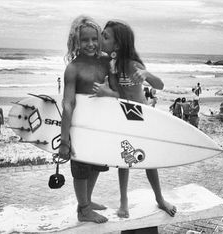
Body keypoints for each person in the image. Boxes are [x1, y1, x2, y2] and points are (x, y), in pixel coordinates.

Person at [94, 20, 176, 219]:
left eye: (105, 37)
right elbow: (119, 94)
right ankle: (124, 202)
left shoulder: (133, 65)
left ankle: (159, 198)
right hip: (123, 116)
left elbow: (161, 85)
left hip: (141, 117)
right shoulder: (111, 64)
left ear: (118, 45)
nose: (100, 39)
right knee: (125, 159)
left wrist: (146, 73)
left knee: (150, 161)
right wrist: (107, 90)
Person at [58, 15, 118, 224]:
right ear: (76, 41)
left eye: (94, 39)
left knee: (96, 164)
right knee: (81, 169)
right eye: (85, 40)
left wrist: (109, 92)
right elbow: (68, 104)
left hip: (100, 125)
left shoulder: (106, 61)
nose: (91, 44)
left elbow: (119, 90)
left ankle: (87, 201)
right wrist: (64, 140)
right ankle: (83, 209)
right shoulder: (73, 68)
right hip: (80, 127)